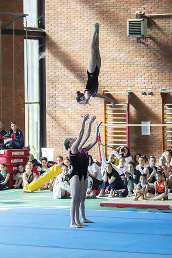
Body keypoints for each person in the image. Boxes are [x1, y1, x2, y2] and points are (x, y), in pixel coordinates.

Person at [64, 113, 102, 228]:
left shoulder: (83, 150)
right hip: (75, 175)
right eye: (72, 139)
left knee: (80, 198)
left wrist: (94, 126)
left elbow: (90, 138)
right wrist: (84, 122)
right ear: (70, 144)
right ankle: (73, 222)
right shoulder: (73, 149)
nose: (74, 138)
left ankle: (80, 219)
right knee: (75, 198)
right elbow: (82, 135)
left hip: (82, 175)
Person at [76, 23, 115, 107]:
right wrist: (111, 101)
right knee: (97, 49)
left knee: (93, 52)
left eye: (82, 101)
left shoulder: (87, 92)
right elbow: (103, 97)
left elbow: (86, 97)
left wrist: (85, 101)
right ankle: (98, 31)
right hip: (97, 70)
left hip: (91, 71)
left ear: (82, 98)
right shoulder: (93, 94)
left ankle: (94, 32)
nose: (85, 102)